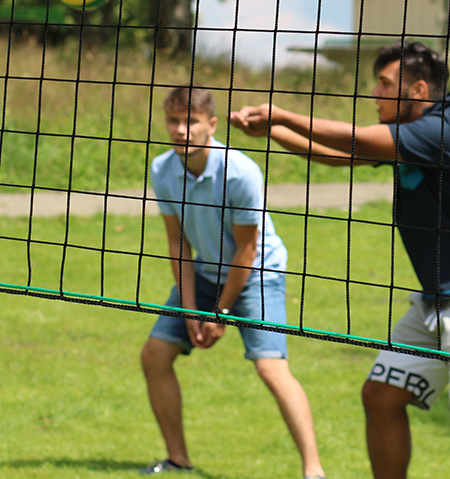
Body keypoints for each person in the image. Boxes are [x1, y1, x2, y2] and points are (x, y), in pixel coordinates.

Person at [229, 41, 450, 479]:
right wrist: (273, 132)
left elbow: (356, 138)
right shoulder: (416, 134)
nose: (374, 93)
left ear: (419, 90)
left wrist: (283, 114)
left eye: (385, 84)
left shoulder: (447, 129)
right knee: (381, 395)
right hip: (439, 300)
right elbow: (342, 154)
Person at [139, 86, 326, 478]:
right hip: (205, 272)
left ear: (211, 124)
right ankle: (178, 460)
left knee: (271, 368)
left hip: (257, 275)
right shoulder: (162, 169)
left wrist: (220, 314)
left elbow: (247, 251)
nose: (180, 130)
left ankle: (314, 470)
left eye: (189, 121)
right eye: (173, 120)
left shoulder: (239, 172)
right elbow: (178, 244)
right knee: (155, 355)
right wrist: (191, 310)